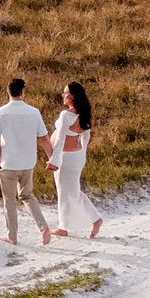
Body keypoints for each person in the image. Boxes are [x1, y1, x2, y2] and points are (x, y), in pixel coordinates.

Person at [0, 77, 51, 245]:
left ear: (8, 92)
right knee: (27, 196)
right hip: (28, 162)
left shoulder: (0, 113)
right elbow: (44, 138)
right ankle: (43, 227)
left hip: (9, 162)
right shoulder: (34, 112)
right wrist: (53, 158)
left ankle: (12, 235)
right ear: (23, 92)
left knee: (9, 199)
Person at [46, 81, 101, 239]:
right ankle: (96, 219)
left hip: (66, 158)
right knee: (73, 191)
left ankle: (63, 227)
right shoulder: (82, 114)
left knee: (64, 192)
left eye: (66, 93)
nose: (63, 95)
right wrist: (83, 154)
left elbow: (61, 140)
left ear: (73, 96)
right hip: (76, 156)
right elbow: (86, 137)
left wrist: (54, 161)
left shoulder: (66, 115)